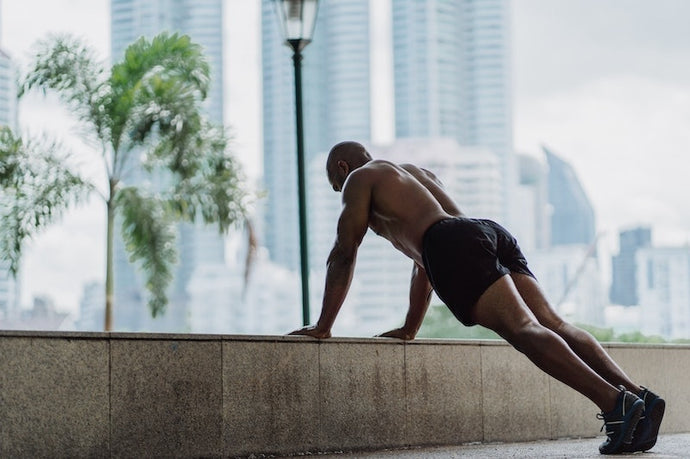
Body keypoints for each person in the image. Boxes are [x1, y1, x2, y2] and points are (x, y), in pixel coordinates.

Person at [289, 141, 665, 455]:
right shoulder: (413, 175)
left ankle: (614, 404)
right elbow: (430, 259)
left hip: (452, 243)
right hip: (483, 231)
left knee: (524, 330)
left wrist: (324, 326)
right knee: (555, 324)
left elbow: (344, 252)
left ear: (342, 167)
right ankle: (640, 399)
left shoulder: (360, 178)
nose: (341, 194)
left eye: (335, 186)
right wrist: (409, 328)